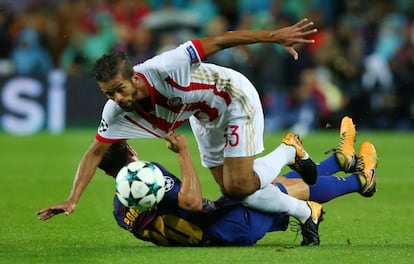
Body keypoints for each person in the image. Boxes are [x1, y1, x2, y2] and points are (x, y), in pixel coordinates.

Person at [37, 18, 324, 241]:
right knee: (234, 190)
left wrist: (274, 37)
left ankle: (289, 150)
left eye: (119, 90)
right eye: (108, 95)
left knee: (239, 186)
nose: (117, 100)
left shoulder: (166, 66)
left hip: (232, 97)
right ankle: (305, 213)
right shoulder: (114, 112)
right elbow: (94, 152)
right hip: (202, 116)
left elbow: (222, 40)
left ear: (135, 78)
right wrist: (72, 199)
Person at [38, 116, 378, 247]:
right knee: (264, 186)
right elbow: (194, 204)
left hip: (213, 237)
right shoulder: (152, 175)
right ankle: (358, 177)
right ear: (129, 148)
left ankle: (342, 162)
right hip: (228, 228)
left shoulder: (118, 207)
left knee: (271, 185)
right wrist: (184, 153)